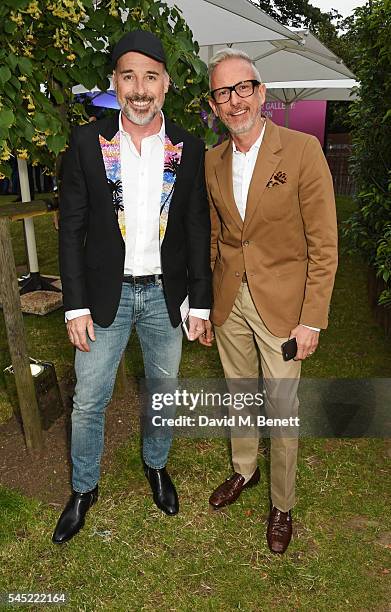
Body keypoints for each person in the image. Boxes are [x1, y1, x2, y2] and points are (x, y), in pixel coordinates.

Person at [52, 30, 211, 544]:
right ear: (114, 84)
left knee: (163, 392)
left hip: (166, 295)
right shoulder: (87, 143)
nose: (140, 89)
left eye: (150, 77)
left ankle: (157, 467)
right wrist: (73, 305)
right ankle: (83, 488)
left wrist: (200, 300)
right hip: (104, 297)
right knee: (88, 400)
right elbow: (71, 229)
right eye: (129, 77)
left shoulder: (187, 145)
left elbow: (195, 227)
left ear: (166, 84)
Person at [201, 49, 338, 554]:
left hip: (284, 307)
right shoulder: (212, 160)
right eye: (223, 92)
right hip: (229, 301)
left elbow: (324, 245)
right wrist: (206, 305)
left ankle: (282, 503)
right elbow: (216, 236)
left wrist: (312, 321)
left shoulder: (302, 150)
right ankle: (244, 472)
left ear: (261, 92)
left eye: (243, 88)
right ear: (213, 104)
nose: (234, 101)